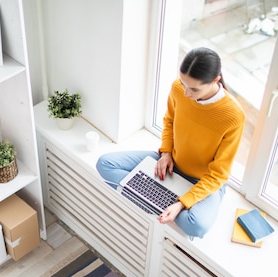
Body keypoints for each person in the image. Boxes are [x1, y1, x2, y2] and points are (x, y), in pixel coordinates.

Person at [96, 47, 245, 238]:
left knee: (197, 227)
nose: (186, 93)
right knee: (105, 163)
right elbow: (169, 121)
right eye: (184, 84)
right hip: (171, 164)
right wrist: (166, 153)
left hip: (203, 180)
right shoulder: (178, 88)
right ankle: (158, 198)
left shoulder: (233, 116)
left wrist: (182, 203)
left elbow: (218, 174)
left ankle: (148, 197)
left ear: (215, 80)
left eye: (194, 89)